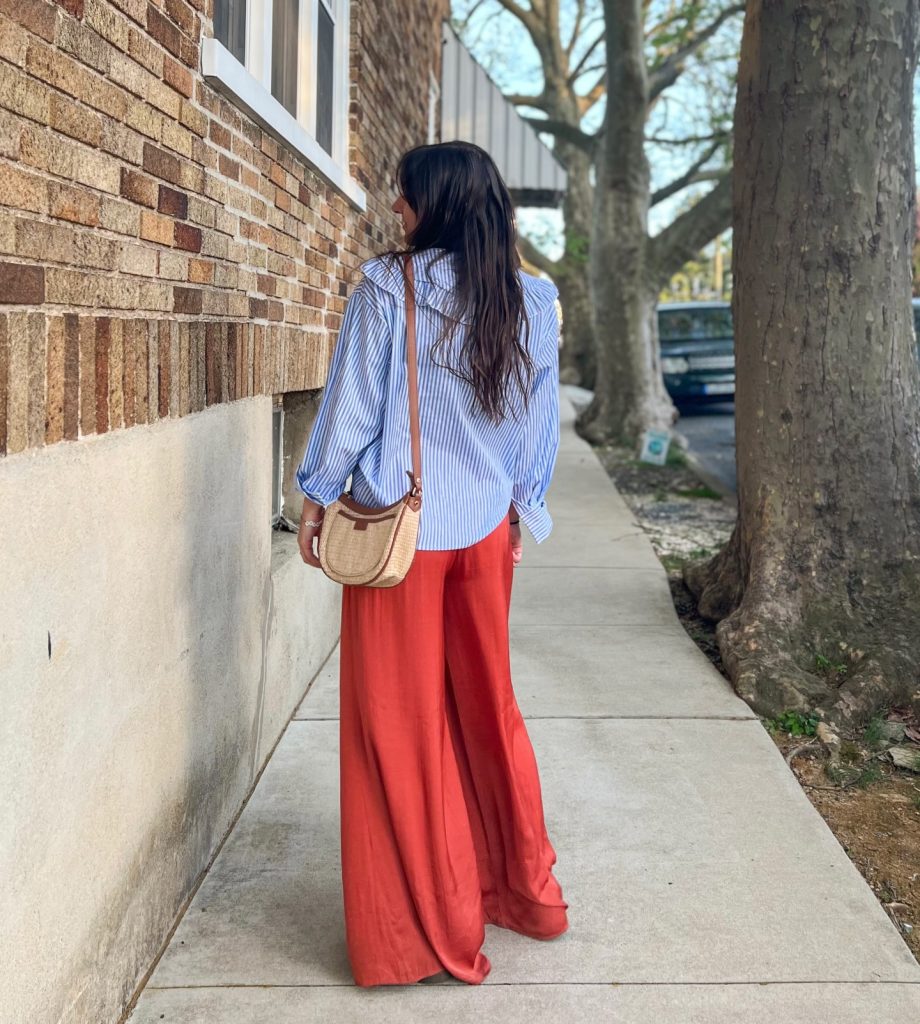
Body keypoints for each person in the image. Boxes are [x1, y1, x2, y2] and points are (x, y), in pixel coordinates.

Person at [294, 140, 568, 987]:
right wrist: (525, 506)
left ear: (435, 204)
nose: (396, 210)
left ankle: (423, 936)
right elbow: (536, 422)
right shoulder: (536, 297)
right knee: (490, 710)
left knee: (400, 731)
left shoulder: (389, 286)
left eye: (404, 197)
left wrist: (315, 491)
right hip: (487, 531)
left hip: (399, 541)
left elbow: (353, 407)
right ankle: (523, 891)